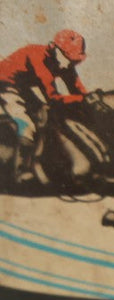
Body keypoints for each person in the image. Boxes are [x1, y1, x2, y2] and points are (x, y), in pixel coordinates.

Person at [0, 30, 89, 185]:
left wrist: (89, 99)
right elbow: (52, 97)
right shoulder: (37, 56)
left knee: (45, 116)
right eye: (68, 59)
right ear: (54, 48)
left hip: (21, 87)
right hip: (4, 85)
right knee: (27, 125)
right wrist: (81, 99)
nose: (69, 64)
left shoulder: (63, 61)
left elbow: (77, 88)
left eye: (74, 61)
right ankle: (21, 172)